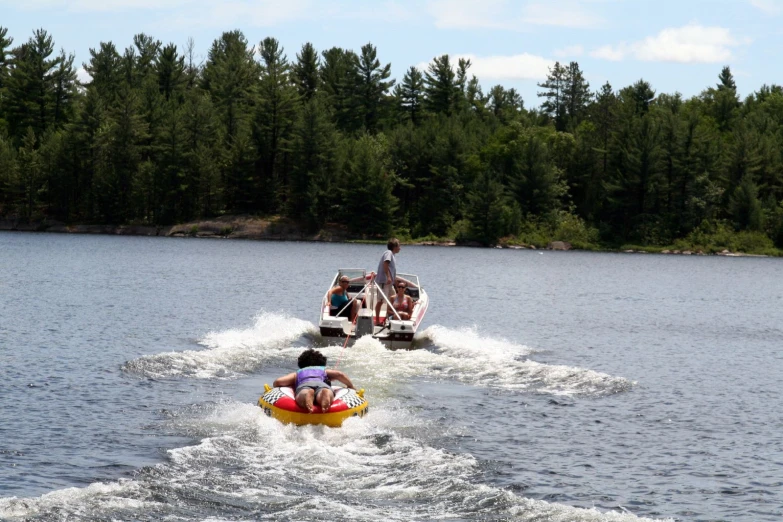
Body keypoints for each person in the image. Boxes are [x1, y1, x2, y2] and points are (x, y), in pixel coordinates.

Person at [273, 349, 356, 413]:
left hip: (304, 385)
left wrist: (291, 383)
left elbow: (278, 382)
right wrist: (351, 386)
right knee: (326, 392)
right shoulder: (323, 370)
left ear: (301, 365)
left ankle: (306, 395)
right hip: (322, 385)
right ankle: (324, 394)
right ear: (322, 363)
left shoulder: (298, 373)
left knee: (302, 393)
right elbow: (339, 374)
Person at [375, 238, 401, 323]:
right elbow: (385, 264)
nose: (400, 248)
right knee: (381, 301)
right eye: (399, 246)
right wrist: (388, 277)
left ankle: (388, 318)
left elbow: (392, 270)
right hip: (384, 281)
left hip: (389, 283)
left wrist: (395, 281)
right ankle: (378, 321)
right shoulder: (388, 253)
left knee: (393, 299)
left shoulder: (393, 256)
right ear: (395, 246)